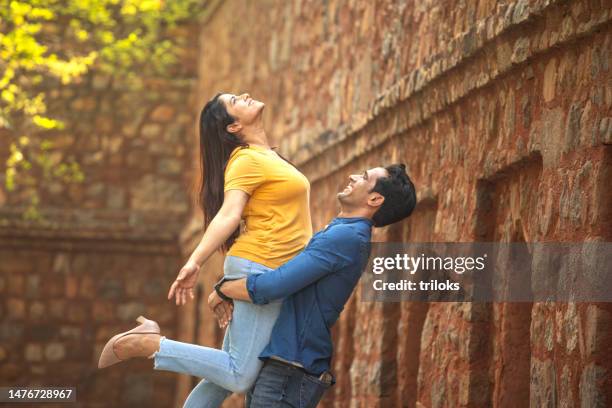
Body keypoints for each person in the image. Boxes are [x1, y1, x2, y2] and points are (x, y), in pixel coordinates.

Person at [97, 92, 313, 408]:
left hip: (267, 267)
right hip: (261, 266)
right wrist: (195, 261)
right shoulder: (246, 160)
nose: (246, 96)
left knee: (222, 377)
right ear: (233, 126)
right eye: (236, 100)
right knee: (240, 375)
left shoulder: (268, 157)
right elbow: (229, 213)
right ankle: (151, 344)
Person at [209, 164, 417, 407]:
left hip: (289, 370)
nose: (352, 176)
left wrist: (223, 289)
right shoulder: (344, 231)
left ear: (375, 198)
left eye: (364, 177)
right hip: (284, 365)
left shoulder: (346, 238)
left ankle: (157, 346)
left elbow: (273, 286)